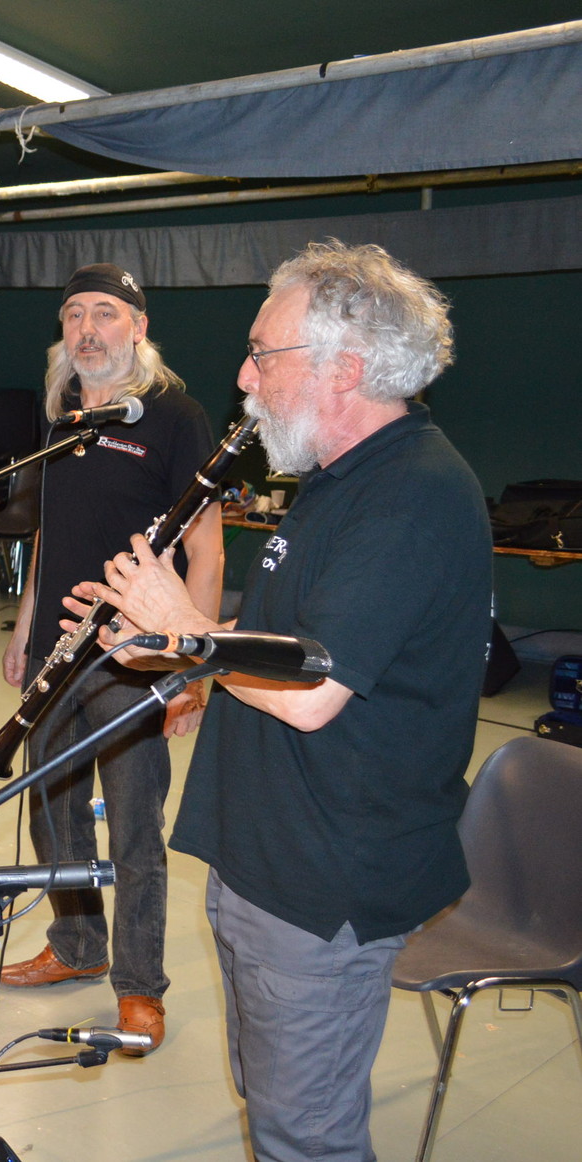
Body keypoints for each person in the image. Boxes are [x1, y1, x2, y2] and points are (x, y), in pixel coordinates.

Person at [76, 240, 490, 1161]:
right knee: (271, 1109)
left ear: (342, 369)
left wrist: (184, 626)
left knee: (305, 1135)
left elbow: (308, 693)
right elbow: (268, 648)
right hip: (264, 855)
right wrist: (165, 652)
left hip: (325, 877)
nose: (242, 375)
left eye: (263, 354)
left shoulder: (410, 495)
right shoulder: (333, 481)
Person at [0, 263, 222, 1055]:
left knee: (132, 828)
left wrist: (186, 665)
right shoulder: (63, 416)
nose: (86, 329)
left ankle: (138, 987)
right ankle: (76, 948)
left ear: (136, 325)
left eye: (104, 313)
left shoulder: (175, 416)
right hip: (59, 651)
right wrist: (25, 624)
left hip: (135, 659)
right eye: (72, 315)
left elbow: (205, 546)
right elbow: (47, 532)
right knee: (50, 813)